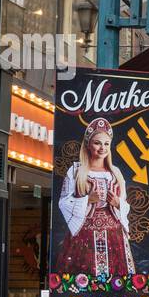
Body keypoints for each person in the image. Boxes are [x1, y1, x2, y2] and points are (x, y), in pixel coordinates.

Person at [57, 117, 134, 276]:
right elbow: (63, 202)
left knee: (117, 279)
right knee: (83, 277)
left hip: (114, 234)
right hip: (85, 234)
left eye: (106, 144)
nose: (102, 148)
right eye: (97, 143)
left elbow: (125, 204)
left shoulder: (115, 173)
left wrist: (118, 203)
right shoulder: (76, 171)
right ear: (88, 144)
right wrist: (87, 200)